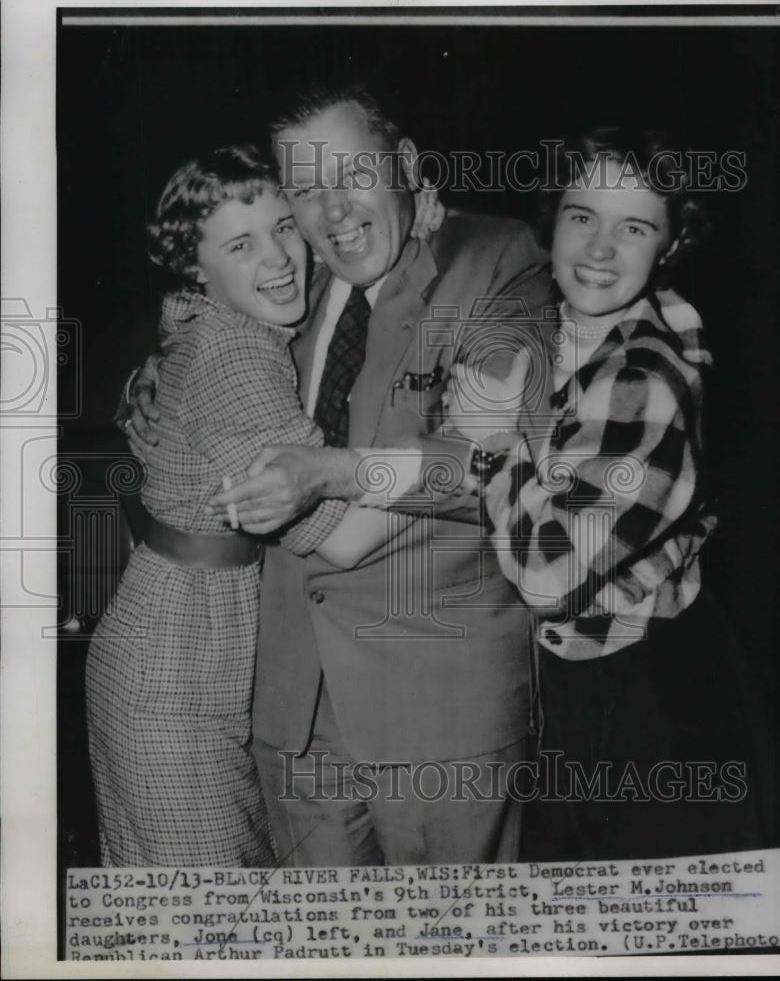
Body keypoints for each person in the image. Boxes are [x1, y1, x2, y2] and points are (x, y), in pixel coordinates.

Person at [129, 82, 554, 866]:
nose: (333, 211)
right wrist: (149, 377)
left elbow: (495, 453)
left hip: (439, 711)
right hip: (290, 708)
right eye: (307, 189)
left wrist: (332, 472)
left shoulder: (495, 257)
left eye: (354, 176)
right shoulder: (293, 274)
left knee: (450, 948)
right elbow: (205, 317)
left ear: (407, 168)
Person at [450, 127, 769, 860]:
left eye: (634, 228)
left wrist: (498, 446)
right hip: (578, 683)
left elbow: (549, 575)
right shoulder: (559, 329)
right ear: (551, 221)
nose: (598, 250)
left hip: (649, 699)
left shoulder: (643, 380)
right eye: (582, 216)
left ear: (669, 246)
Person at [90, 144, 411, 867]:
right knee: (203, 917)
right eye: (242, 243)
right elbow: (348, 539)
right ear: (195, 266)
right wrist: (474, 466)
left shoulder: (216, 317)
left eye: (284, 229)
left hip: (176, 637)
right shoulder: (237, 352)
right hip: (178, 661)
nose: (279, 258)